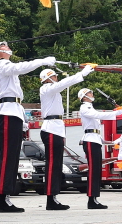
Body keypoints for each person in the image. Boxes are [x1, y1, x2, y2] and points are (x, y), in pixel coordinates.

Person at [0, 41, 54, 213]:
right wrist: (41, 61)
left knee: (12, 157)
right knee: (8, 157)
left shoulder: (8, 68)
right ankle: (2, 199)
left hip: (14, 112)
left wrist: (23, 120)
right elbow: (20, 68)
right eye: (3, 47)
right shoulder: (2, 65)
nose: (7, 48)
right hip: (8, 113)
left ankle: (6, 197)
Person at [38, 65, 93, 210]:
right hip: (50, 128)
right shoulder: (46, 89)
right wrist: (81, 74)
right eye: (55, 76)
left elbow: (62, 85)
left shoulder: (53, 90)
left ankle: (54, 197)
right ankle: (50, 199)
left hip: (56, 128)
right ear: (49, 78)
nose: (57, 78)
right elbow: (64, 83)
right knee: (52, 165)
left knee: (56, 165)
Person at [77, 88, 122, 209]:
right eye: (90, 93)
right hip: (90, 141)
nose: (92, 94)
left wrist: (109, 142)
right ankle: (91, 200)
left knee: (97, 170)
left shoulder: (90, 107)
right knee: (93, 170)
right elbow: (97, 116)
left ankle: (94, 198)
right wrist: (116, 113)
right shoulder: (85, 107)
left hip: (95, 140)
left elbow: (96, 131)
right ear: (84, 96)